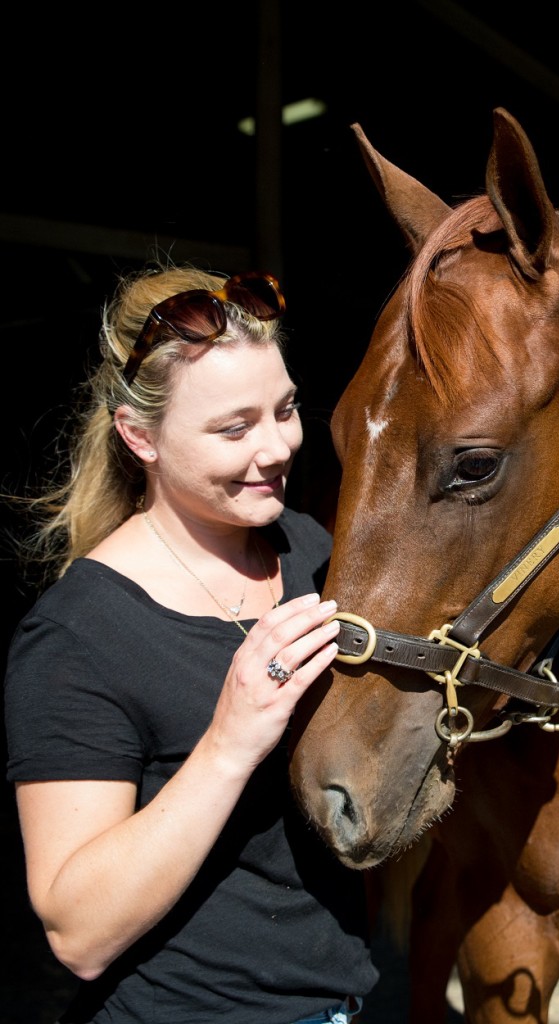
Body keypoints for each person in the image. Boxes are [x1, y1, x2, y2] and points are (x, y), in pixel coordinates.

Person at [3, 264, 379, 1023]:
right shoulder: (77, 636)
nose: (276, 448)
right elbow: (77, 932)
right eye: (233, 428)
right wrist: (229, 742)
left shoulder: (307, 551)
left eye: (285, 409)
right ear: (139, 437)